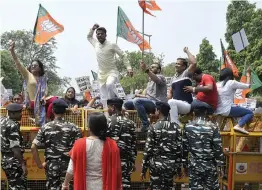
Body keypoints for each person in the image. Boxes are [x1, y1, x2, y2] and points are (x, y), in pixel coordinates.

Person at [62, 112, 122, 190]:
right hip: (106, 186)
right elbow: (117, 170)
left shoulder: (79, 144)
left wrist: (65, 184)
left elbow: (71, 169)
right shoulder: (112, 145)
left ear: (89, 127)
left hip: (85, 186)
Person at [31, 98, 82, 190]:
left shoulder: (45, 127)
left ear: (53, 110)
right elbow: (80, 148)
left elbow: (33, 146)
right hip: (69, 166)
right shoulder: (74, 128)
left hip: (51, 166)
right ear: (65, 111)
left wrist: (39, 164)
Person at [87, 24, 132, 110]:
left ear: (105, 35)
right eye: (98, 34)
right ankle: (107, 116)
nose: (99, 35)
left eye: (101, 34)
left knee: (109, 84)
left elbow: (123, 56)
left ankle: (114, 103)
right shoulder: (95, 43)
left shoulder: (112, 45)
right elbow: (89, 37)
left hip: (112, 72)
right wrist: (92, 29)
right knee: (103, 97)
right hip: (101, 74)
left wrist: (129, 68)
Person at [141, 102, 182, 190]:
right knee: (169, 187)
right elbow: (179, 150)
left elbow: (148, 150)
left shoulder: (153, 127)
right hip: (171, 166)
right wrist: (178, 169)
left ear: (158, 111)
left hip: (156, 166)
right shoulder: (177, 127)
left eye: (156, 109)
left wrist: (143, 169)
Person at [182, 108, 224, 190]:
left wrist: (184, 165)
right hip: (210, 165)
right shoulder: (213, 127)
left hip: (194, 165)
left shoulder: (188, 127)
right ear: (205, 112)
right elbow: (218, 148)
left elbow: (184, 148)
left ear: (194, 113)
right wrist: (220, 166)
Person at [10, 41, 48, 127]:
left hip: (42, 104)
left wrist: (44, 96)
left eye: (35, 65)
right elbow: (18, 63)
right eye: (32, 65)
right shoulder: (28, 75)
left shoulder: (43, 79)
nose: (33, 66)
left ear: (40, 68)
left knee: (55, 101)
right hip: (30, 105)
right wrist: (12, 51)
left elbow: (46, 90)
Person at [124, 61, 167, 132]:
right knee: (127, 103)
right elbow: (148, 97)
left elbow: (156, 79)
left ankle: (145, 124)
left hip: (157, 103)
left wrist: (146, 70)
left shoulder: (161, 77)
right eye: (150, 67)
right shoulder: (149, 82)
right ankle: (132, 124)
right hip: (149, 102)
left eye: (153, 67)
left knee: (137, 101)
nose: (151, 68)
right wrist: (138, 95)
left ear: (158, 70)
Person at [106, 98, 137, 189]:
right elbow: (133, 145)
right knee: (125, 185)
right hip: (126, 162)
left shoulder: (107, 122)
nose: (107, 109)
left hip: (110, 162)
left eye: (108, 107)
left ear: (113, 107)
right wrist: (132, 162)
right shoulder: (131, 123)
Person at [215, 68, 253, 134]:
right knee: (249, 113)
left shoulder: (217, 84)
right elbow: (248, 86)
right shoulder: (231, 82)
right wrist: (248, 75)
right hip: (227, 110)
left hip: (217, 110)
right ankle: (239, 125)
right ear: (230, 75)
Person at [1, 103, 27, 189]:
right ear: (12, 113)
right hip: (14, 162)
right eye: (19, 112)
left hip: (5, 160)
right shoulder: (13, 125)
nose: (21, 114)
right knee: (19, 187)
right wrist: (22, 164)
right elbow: (15, 148)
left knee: (12, 186)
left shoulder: (2, 121)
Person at [168, 47, 197, 125]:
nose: (176, 65)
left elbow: (194, 63)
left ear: (184, 67)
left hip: (186, 105)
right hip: (175, 105)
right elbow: (170, 92)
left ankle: (176, 125)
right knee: (168, 102)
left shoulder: (186, 73)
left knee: (171, 102)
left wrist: (187, 51)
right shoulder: (173, 78)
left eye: (178, 64)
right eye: (176, 63)